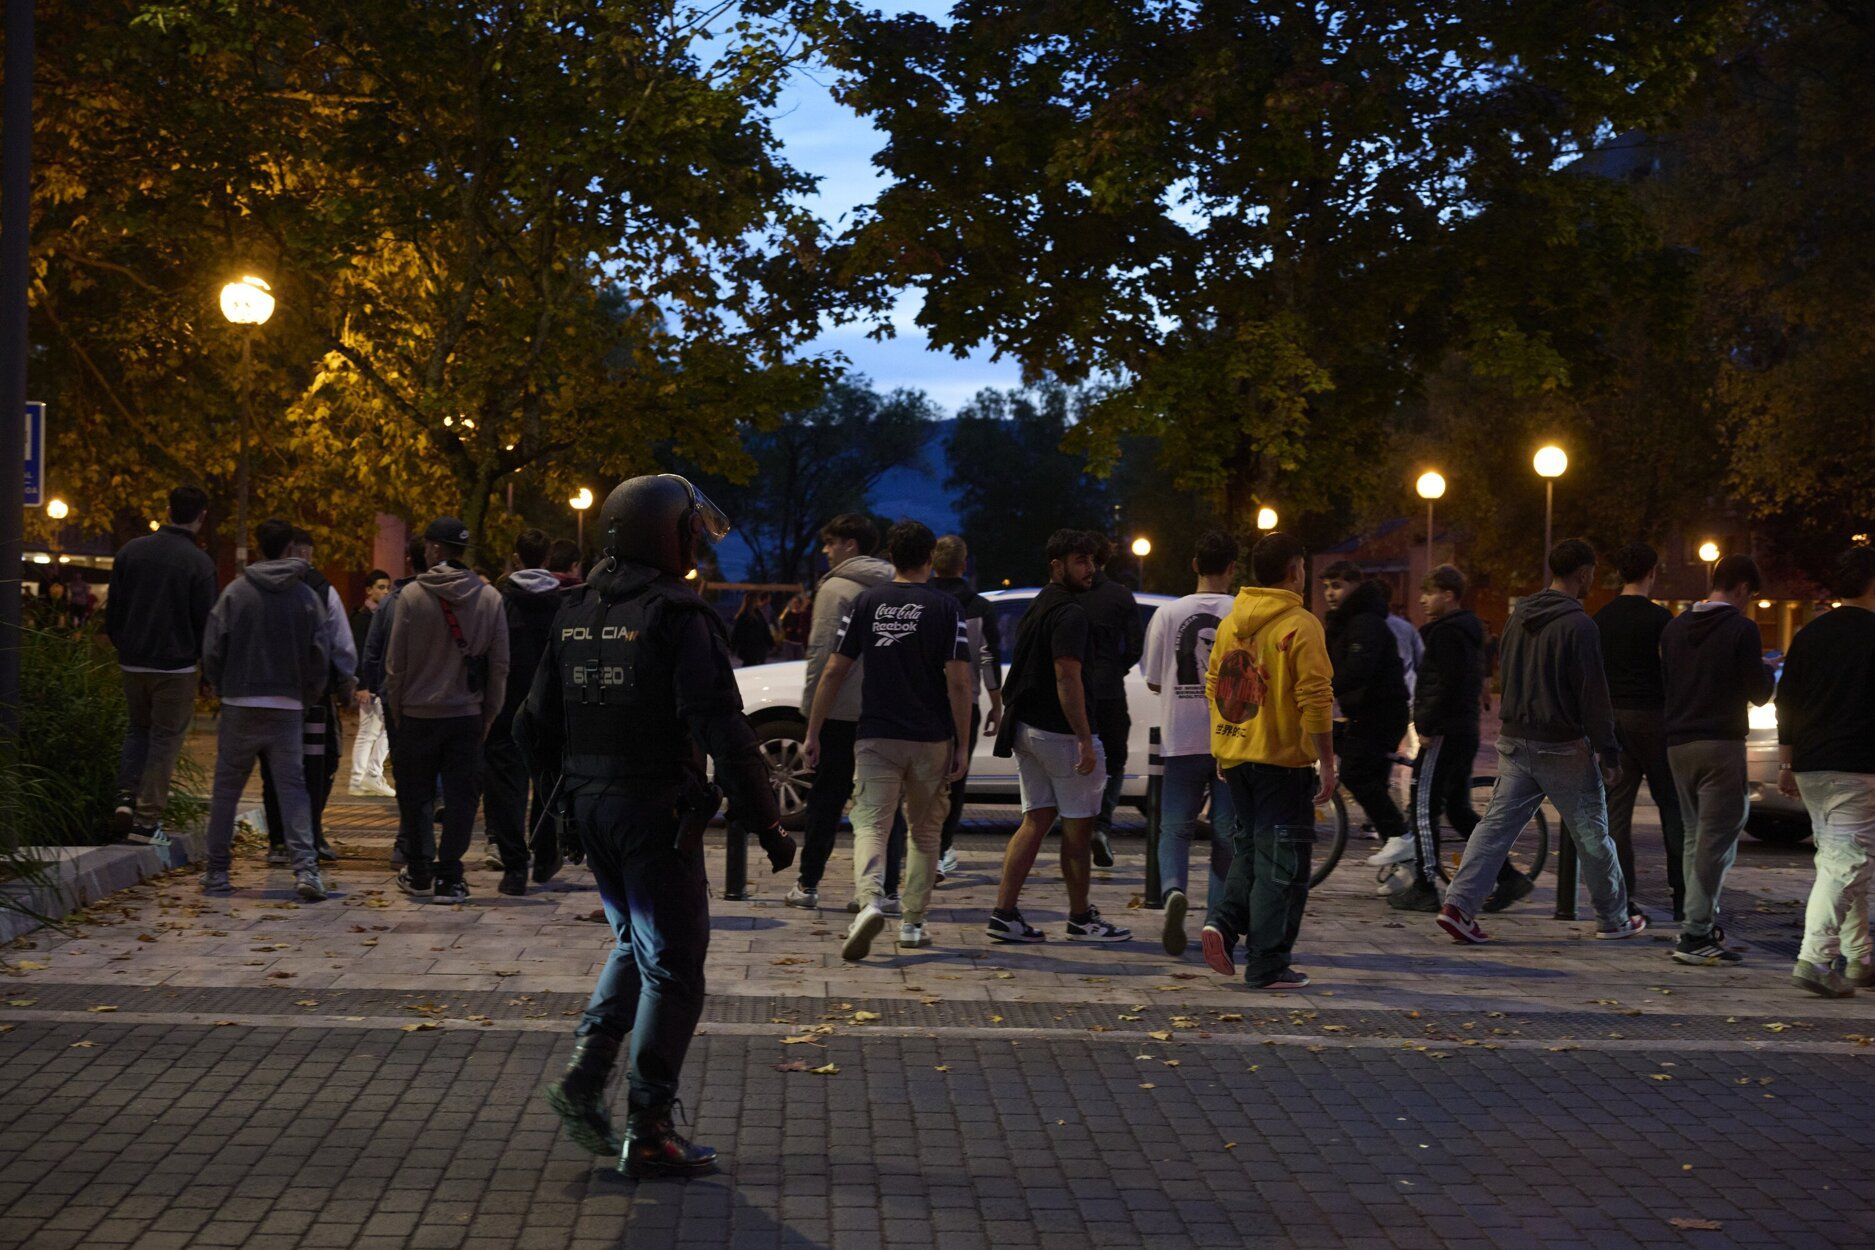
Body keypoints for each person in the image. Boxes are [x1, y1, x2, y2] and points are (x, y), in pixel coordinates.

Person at [516, 473, 793, 1177]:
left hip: (593, 807)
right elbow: (722, 729)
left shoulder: (575, 609)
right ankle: (650, 1127)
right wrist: (767, 822)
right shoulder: (679, 616)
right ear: (663, 533)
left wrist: (560, 806)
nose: (695, 543)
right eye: (690, 531)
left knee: (635, 949)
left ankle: (584, 1077)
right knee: (675, 967)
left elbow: (531, 726)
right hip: (652, 811)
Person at [1435, 539, 1648, 944]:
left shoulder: (1519, 617)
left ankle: (1458, 906)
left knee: (1495, 827)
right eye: (1592, 574)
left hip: (1516, 738)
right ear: (1583, 573)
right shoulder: (1581, 626)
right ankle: (1614, 917)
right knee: (1593, 834)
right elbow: (1592, 692)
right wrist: (1608, 750)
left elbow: (1506, 673)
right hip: (1562, 743)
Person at [805, 521, 972, 957]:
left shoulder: (866, 603)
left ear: (892, 556)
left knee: (869, 824)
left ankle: (869, 901)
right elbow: (959, 682)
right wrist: (963, 742)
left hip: (876, 731)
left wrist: (814, 730)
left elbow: (834, 670)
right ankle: (913, 922)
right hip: (930, 736)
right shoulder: (946, 607)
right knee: (924, 831)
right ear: (929, 557)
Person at [1196, 532, 1334, 989]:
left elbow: (1216, 685)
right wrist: (1327, 761)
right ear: (1295, 570)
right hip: (1282, 761)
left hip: (1237, 755)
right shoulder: (1301, 624)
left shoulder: (1232, 621)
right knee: (1284, 864)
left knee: (1252, 850)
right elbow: (1315, 697)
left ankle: (1224, 922)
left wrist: (1222, 744)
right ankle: (1268, 964)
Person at [986, 529, 1131, 944]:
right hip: (1059, 734)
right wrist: (1085, 737)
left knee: (1035, 819)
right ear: (1057, 565)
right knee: (1079, 827)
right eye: (1081, 561)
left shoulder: (1040, 605)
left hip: (1027, 728)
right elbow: (1067, 676)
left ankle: (1004, 912)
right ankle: (1082, 918)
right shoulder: (1070, 613)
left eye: (1093, 561)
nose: (1091, 569)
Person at [199, 518, 330, 900]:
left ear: (259, 548)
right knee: (293, 789)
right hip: (287, 705)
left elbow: (213, 647)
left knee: (226, 791)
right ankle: (306, 869)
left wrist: (222, 686)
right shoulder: (306, 598)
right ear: (290, 548)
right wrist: (309, 694)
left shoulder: (236, 593)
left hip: (240, 701)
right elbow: (319, 654)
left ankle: (217, 872)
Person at [383, 517, 510, 904]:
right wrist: (489, 711)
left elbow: (395, 665)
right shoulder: (490, 599)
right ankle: (451, 875)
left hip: (417, 714)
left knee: (416, 796)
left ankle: (420, 870)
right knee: (461, 798)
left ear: (435, 549)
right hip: (466, 716)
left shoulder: (411, 596)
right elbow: (500, 665)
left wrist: (397, 710)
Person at [1661, 554, 1777, 966]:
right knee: (1719, 836)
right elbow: (1759, 692)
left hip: (1677, 742)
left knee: (1696, 836)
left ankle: (1699, 924)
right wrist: (1765, 670)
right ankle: (1695, 932)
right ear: (1743, 588)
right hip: (1720, 742)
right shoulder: (1741, 629)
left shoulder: (1674, 627)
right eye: (1751, 596)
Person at [788, 514, 908, 911]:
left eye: (831, 542)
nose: (825, 550)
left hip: (840, 711)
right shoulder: (899, 585)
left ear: (850, 545)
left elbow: (823, 656)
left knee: (826, 798)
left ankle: (808, 884)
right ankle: (888, 889)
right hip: (887, 710)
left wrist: (812, 719)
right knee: (884, 803)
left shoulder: (835, 589)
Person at [1777, 546, 1875, 997]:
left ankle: (1859, 957)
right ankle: (1815, 959)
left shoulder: (1810, 634)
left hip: (1812, 765)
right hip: (1858, 763)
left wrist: (1786, 760)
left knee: (1841, 860)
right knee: (1847, 862)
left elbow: (1787, 699)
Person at [1140, 529, 1239, 955]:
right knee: (1226, 833)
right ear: (1232, 569)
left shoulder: (1167, 614)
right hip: (1231, 740)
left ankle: (1173, 891)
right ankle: (1215, 922)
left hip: (1180, 737)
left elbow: (1154, 680)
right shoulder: (1242, 614)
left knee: (1174, 827)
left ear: (1195, 566)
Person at [104, 484, 218, 847]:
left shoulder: (131, 552)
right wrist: (207, 671)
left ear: (168, 509)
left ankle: (124, 797)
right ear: (201, 516)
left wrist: (125, 645)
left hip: (133, 662)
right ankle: (147, 819)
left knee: (137, 730)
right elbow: (206, 622)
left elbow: (114, 612)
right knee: (165, 739)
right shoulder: (199, 563)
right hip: (176, 667)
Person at [1389, 564, 1495, 914]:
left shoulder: (1445, 633)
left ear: (1448, 595)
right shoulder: (1468, 630)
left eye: (1428, 593)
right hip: (1462, 728)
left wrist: (1427, 725)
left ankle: (1425, 883)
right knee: (1458, 807)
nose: (1422, 599)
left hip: (1444, 731)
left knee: (1422, 805)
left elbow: (1440, 684)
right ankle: (1506, 874)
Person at [1594, 542, 1688, 920]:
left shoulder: (1601, 618)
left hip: (1615, 720)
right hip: (1655, 718)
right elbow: (1674, 671)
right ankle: (1683, 900)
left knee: (1616, 814)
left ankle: (1623, 900)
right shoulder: (1662, 620)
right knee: (1673, 808)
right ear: (1652, 573)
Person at [262, 528, 356, 867]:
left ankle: (278, 840)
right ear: (300, 552)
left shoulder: (248, 587)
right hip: (312, 695)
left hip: (267, 693)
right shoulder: (318, 589)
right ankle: (310, 834)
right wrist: (345, 683)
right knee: (318, 762)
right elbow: (341, 644)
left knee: (273, 765)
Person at [483, 528, 566, 894]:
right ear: (548, 559)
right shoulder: (567, 604)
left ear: (516, 558)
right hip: (551, 706)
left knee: (505, 786)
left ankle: (514, 866)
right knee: (549, 780)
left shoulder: (499, 601)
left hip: (506, 704)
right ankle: (545, 853)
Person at [1319, 561, 1412, 872]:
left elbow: (1358, 668)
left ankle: (1400, 835)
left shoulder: (1365, 622)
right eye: (1327, 586)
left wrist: (1324, 690)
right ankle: (1407, 865)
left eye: (1338, 586)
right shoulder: (1346, 621)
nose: (1330, 593)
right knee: (1366, 774)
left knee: (1356, 774)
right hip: (1365, 710)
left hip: (1381, 711)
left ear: (1355, 586)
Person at [931, 534, 1004, 879]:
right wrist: (996, 702)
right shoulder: (978, 607)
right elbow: (988, 657)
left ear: (933, 562)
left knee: (922, 778)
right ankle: (942, 848)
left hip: (923, 702)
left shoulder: (922, 600)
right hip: (966, 703)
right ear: (963, 565)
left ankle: (920, 845)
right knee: (955, 778)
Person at [1080, 537, 1145, 867]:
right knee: (1115, 760)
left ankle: (1076, 826)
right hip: (1109, 689)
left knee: (1076, 757)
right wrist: (1116, 668)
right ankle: (1101, 825)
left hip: (1074, 688)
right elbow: (1135, 646)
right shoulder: (1120, 595)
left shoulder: (1068, 594)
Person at [347, 570, 396, 797]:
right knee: (371, 731)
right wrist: (362, 684)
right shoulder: (363, 618)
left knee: (379, 730)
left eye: (387, 587)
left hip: (378, 682)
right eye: (380, 587)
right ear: (369, 590)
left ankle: (366, 777)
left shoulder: (380, 614)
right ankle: (363, 777)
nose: (385, 591)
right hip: (371, 684)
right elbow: (360, 651)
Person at [730, 590, 774, 667]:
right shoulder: (744, 616)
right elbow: (737, 632)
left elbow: (765, 630)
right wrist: (733, 647)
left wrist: (771, 643)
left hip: (758, 648)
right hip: (750, 648)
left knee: (755, 666)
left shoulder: (757, 614)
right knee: (750, 666)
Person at [778, 591, 812, 661]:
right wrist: (786, 628)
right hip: (789, 641)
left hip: (799, 642)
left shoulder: (802, 615)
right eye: (794, 602)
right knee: (789, 661)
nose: (795, 604)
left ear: (800, 604)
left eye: (796, 602)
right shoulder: (788, 614)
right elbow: (783, 624)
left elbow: (805, 626)